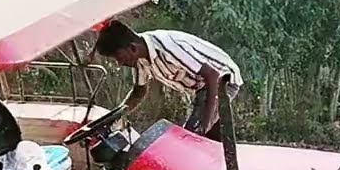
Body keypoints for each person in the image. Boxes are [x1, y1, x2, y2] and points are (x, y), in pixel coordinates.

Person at [92, 20, 242, 141]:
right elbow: (138, 93)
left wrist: (203, 124)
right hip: (201, 87)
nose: (119, 63)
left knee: (191, 139)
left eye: (119, 57)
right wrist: (112, 118)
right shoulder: (140, 61)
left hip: (221, 79)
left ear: (132, 48)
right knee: (211, 143)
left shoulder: (168, 48)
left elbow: (212, 75)